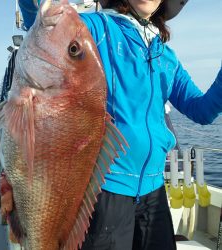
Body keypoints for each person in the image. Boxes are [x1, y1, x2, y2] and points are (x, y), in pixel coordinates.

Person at [17, 0, 222, 249]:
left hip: (155, 191)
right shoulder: (96, 29)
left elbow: (202, 111)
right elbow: (42, 23)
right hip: (105, 191)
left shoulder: (166, 57)